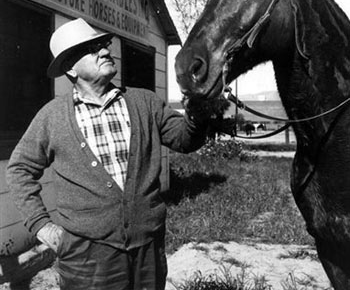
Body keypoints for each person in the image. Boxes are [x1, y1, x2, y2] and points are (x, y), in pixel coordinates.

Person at [6, 18, 212, 290]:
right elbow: (19, 169)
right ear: (70, 68)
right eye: (92, 50)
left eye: (103, 45)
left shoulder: (144, 102)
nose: (105, 51)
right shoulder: (52, 116)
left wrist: (198, 109)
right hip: (86, 257)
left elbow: (185, 139)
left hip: (147, 248)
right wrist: (41, 225)